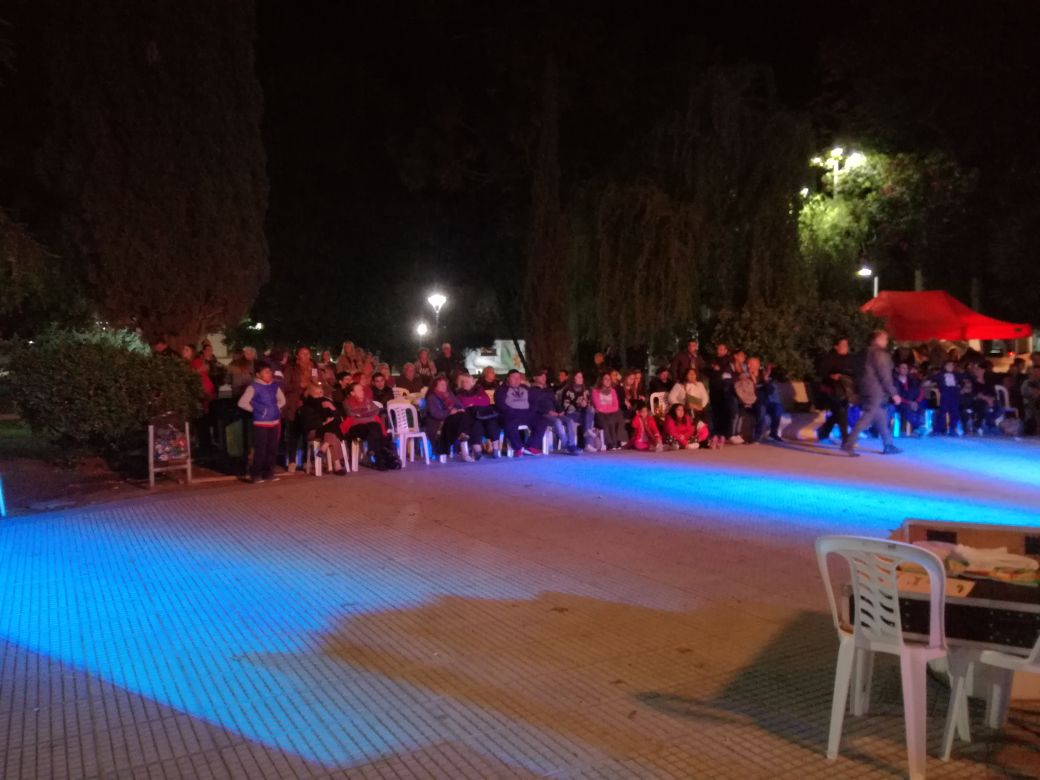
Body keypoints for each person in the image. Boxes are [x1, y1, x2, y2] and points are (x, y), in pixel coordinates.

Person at [843, 330, 902, 457]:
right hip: (875, 390)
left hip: (864, 388)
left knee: (881, 417)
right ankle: (848, 443)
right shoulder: (880, 354)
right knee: (866, 418)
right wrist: (893, 393)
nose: (886, 341)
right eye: (885, 339)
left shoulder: (862, 353)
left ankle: (888, 444)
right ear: (878, 339)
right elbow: (884, 375)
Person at [237, 362, 285, 483]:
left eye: (270, 371)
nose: (269, 374)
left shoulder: (274, 386)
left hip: (274, 422)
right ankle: (255, 474)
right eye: (266, 372)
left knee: (272, 449)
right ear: (258, 374)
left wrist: (275, 409)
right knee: (261, 449)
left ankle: (269, 473)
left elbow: (282, 400)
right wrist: (259, 411)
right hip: (261, 423)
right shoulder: (253, 387)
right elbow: (242, 403)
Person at [494, 370, 548, 456]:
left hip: (526, 413)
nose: (517, 380)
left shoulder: (525, 388)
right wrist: (512, 412)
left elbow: (533, 402)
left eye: (519, 378)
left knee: (542, 421)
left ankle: (531, 446)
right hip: (511, 414)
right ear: (508, 379)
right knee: (509, 424)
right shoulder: (501, 390)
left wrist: (531, 410)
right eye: (514, 377)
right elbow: (500, 405)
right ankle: (518, 447)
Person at [297, 383, 346, 475]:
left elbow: (338, 418)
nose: (320, 395)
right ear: (310, 394)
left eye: (321, 392)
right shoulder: (306, 406)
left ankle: (325, 446)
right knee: (333, 431)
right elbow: (308, 423)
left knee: (332, 432)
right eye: (316, 393)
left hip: (327, 431)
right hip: (314, 431)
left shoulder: (326, 402)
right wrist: (324, 423)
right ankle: (337, 465)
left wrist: (332, 408)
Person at [423, 375, 474, 462]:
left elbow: (460, 405)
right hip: (438, 423)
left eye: (445, 385)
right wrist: (449, 412)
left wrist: (459, 409)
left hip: (452, 420)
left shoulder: (449, 395)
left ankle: (463, 439)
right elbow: (436, 414)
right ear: (435, 386)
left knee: (464, 414)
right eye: (442, 385)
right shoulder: (431, 397)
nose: (444, 386)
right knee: (462, 418)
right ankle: (465, 449)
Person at [815, 337, 855, 446]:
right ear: (836, 347)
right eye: (843, 345)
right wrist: (831, 376)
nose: (845, 347)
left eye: (846, 345)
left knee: (839, 413)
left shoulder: (850, 359)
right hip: (830, 390)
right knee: (841, 410)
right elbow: (820, 373)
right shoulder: (829, 359)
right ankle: (845, 438)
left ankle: (823, 433)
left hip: (845, 390)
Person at [340, 382, 390, 463]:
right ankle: (378, 457)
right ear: (352, 393)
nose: (362, 392)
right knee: (374, 428)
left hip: (369, 427)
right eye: (359, 390)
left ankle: (373, 452)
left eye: (362, 390)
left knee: (376, 426)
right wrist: (369, 415)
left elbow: (376, 410)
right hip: (355, 427)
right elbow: (352, 415)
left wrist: (361, 414)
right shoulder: (347, 402)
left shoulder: (367, 400)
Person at [456, 373, 501, 457]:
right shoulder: (459, 394)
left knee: (492, 422)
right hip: (471, 417)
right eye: (462, 382)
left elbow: (486, 401)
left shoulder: (479, 390)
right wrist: (477, 400)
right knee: (476, 424)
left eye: (467, 381)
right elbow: (463, 404)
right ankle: (477, 450)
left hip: (484, 414)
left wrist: (472, 403)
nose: (464, 383)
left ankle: (495, 448)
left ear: (472, 382)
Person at [531, 368, 571, 454]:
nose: (544, 378)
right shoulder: (532, 391)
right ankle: (566, 446)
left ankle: (572, 445)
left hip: (554, 413)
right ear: (535, 378)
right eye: (541, 376)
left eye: (545, 376)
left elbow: (555, 401)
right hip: (543, 414)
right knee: (557, 422)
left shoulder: (548, 390)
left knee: (569, 421)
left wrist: (560, 410)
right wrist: (548, 412)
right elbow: (534, 406)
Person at [707, 344, 740, 444]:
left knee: (724, 412)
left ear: (726, 350)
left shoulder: (729, 361)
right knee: (715, 412)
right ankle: (715, 434)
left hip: (725, 390)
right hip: (714, 389)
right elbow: (708, 370)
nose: (719, 351)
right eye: (718, 349)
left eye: (721, 349)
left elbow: (729, 375)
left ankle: (724, 434)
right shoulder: (713, 360)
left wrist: (719, 370)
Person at [559, 370, 597, 453]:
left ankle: (588, 439)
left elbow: (589, 403)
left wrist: (585, 405)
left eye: (582, 377)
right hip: (571, 414)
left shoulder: (585, 390)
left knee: (590, 409)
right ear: (573, 378)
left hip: (582, 415)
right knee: (587, 420)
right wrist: (578, 405)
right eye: (578, 377)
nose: (581, 379)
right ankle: (588, 435)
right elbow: (566, 407)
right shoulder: (567, 390)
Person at [748, 357, 784, 443]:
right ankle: (757, 436)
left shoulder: (763, 376)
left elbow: (770, 390)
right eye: (748, 364)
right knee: (761, 410)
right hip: (754, 402)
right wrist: (753, 382)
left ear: (758, 366)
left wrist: (766, 380)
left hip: (766, 402)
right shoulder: (746, 376)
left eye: (751, 364)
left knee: (778, 408)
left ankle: (773, 433)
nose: (749, 366)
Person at [591, 373, 627, 450]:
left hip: (611, 413)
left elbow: (616, 406)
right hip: (600, 414)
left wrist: (605, 408)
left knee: (618, 413)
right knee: (606, 419)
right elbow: (598, 407)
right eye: (606, 379)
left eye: (609, 379)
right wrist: (608, 408)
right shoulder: (595, 391)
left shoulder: (613, 391)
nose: (608, 381)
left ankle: (618, 441)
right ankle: (610, 443)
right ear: (601, 380)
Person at [891, 363, 925, 435]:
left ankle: (920, 426)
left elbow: (921, 391)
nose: (905, 369)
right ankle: (918, 426)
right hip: (899, 402)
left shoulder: (913, 380)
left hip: (913, 401)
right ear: (898, 369)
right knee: (906, 408)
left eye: (906, 368)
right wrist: (908, 402)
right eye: (902, 368)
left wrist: (916, 402)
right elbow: (894, 394)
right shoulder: (893, 381)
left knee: (920, 408)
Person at [931, 360, 963, 435]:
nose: (951, 367)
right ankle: (938, 429)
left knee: (955, 412)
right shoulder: (940, 374)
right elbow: (932, 378)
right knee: (942, 411)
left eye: (952, 365)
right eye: (949, 365)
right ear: (945, 366)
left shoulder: (956, 374)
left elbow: (962, 380)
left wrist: (960, 387)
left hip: (954, 392)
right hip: (945, 392)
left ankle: (952, 429)